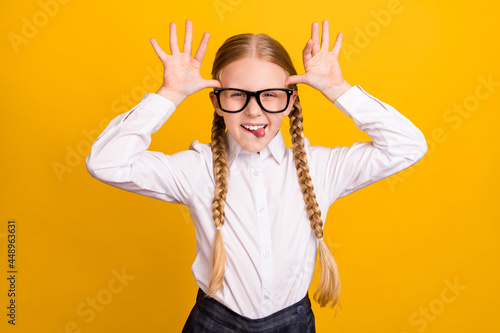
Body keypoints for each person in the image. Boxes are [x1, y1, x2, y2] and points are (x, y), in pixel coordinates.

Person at [86, 19, 427, 332]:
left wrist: (338, 89)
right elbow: (106, 162)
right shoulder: (195, 169)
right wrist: (170, 94)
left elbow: (407, 146)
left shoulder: (321, 167)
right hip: (214, 322)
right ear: (217, 102)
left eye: (270, 95)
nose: (254, 110)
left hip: (293, 322)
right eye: (237, 94)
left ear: (291, 100)